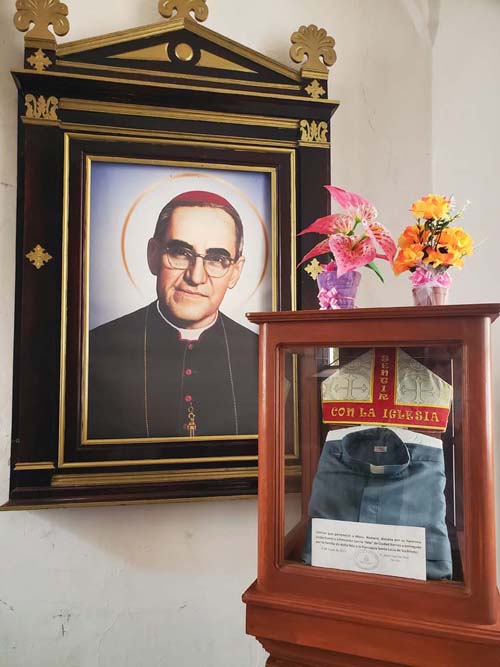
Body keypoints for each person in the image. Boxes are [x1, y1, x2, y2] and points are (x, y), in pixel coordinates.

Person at [87, 190, 258, 440]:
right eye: (180, 252)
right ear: (153, 255)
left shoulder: (263, 354)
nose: (195, 277)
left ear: (235, 272)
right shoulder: (95, 349)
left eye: (216, 258)